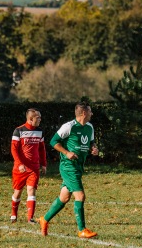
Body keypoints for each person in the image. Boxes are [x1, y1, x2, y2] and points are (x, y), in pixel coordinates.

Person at [39, 102, 99, 238]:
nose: (91, 114)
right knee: (80, 196)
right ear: (83, 113)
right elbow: (53, 141)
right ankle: (82, 230)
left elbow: (91, 142)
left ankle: (45, 219)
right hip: (68, 166)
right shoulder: (68, 126)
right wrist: (66, 153)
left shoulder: (89, 127)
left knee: (64, 197)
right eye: (90, 111)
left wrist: (94, 148)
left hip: (78, 166)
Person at [10, 108, 47, 224]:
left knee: (31, 190)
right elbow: (14, 149)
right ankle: (13, 214)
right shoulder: (18, 131)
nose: (40, 119)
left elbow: (42, 148)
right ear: (31, 119)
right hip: (20, 168)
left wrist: (44, 163)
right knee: (18, 192)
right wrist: (20, 164)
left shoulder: (39, 131)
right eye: (38, 118)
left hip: (34, 168)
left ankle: (30, 218)